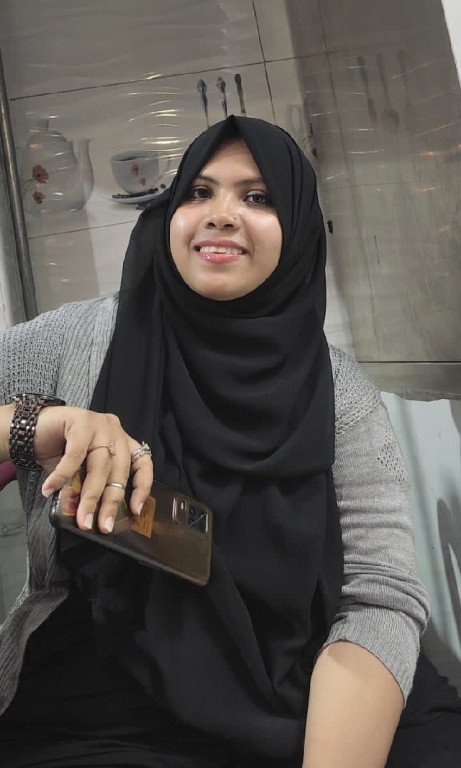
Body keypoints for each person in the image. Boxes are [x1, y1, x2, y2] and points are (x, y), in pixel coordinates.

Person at [0, 115, 459, 768]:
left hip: (314, 682)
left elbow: (376, 595)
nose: (220, 214)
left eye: (257, 197)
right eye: (198, 191)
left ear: (297, 230)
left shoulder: (339, 392)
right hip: (105, 691)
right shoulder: (77, 340)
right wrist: (37, 423)